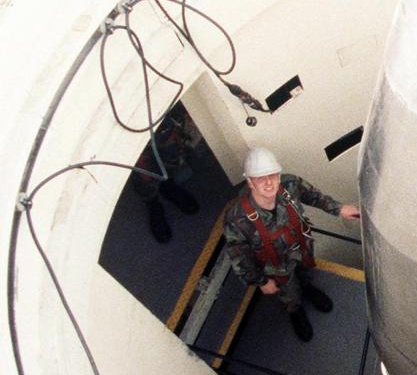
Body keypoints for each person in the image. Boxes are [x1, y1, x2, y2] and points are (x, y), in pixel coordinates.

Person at [223, 147, 361, 343]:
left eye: (272, 175)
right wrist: (261, 281)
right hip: (276, 268)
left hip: (301, 250)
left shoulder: (290, 184)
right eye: (261, 178)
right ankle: (295, 311)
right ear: (250, 182)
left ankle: (309, 288)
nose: (269, 182)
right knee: (290, 294)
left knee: (305, 275)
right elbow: (239, 258)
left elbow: (315, 197)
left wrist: (339, 209)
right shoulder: (237, 219)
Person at [133, 104, 201, 243]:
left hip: (154, 108)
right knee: (140, 163)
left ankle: (167, 185)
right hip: (126, 118)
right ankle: (152, 201)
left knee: (170, 148)